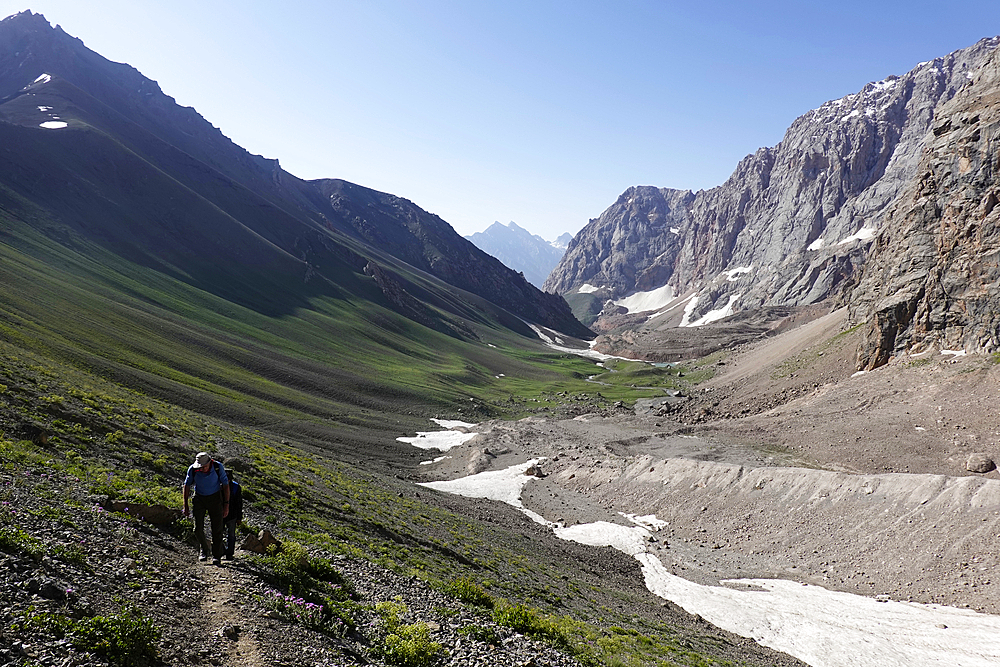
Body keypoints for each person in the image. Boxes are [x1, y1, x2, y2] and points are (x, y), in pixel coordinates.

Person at [182, 452, 230, 565]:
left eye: (204, 467)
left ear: (210, 463)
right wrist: (186, 505)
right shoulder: (193, 469)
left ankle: (216, 555)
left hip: (215, 498)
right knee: (197, 528)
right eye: (200, 467)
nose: (202, 469)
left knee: (217, 529)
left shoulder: (218, 467)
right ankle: (204, 549)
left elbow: (225, 484)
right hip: (199, 498)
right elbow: (187, 485)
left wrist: (226, 504)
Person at [224, 472, 243, 560]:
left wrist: (239, 517)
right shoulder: (235, 487)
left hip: (231, 515)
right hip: (225, 514)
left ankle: (229, 553)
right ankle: (222, 552)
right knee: (228, 534)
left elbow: (239, 503)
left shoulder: (235, 487)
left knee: (230, 534)